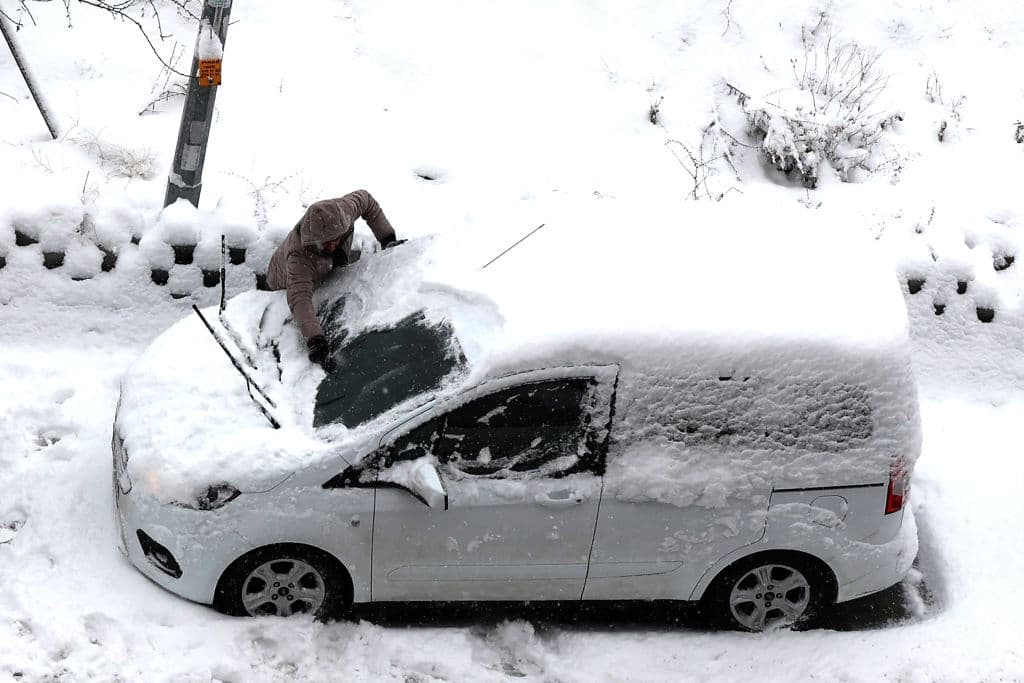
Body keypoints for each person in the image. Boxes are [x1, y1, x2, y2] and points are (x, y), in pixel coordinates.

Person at [266, 189, 405, 372]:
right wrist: (315, 340)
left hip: (325, 266)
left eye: (336, 239)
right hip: (281, 280)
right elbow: (299, 299)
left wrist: (387, 240)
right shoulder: (298, 258)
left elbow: (367, 200)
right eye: (326, 242)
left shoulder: (345, 210)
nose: (332, 245)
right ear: (314, 240)